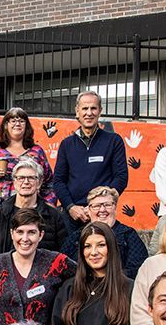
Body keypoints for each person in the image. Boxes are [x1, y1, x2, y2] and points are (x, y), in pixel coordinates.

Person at [0, 209, 74, 325]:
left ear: (41, 235)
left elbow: (84, 279)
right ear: (12, 234)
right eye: (20, 232)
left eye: (31, 232)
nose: (25, 238)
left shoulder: (56, 262)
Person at [52, 91, 128, 233]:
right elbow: (58, 181)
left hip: (102, 214)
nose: (89, 113)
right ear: (77, 111)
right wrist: (70, 207)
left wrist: (99, 205)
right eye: (85, 108)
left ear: (100, 111)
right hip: (72, 216)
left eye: (93, 108)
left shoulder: (114, 141)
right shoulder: (66, 144)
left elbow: (121, 178)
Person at [0, 107, 54, 219]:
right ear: (6, 125)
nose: (17, 124)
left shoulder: (37, 151)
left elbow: (49, 182)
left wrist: (49, 207)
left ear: (26, 126)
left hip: (30, 211)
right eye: (13, 121)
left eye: (21, 121)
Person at [0, 158, 69, 261]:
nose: (26, 182)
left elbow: (63, 255)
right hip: (4, 275)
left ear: (39, 183)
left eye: (31, 178)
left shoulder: (53, 215)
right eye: (21, 178)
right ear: (14, 182)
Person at [61, 187, 148, 280]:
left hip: (118, 288)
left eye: (107, 205)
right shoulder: (77, 237)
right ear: (88, 210)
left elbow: (138, 268)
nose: (102, 210)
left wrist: (106, 279)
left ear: (115, 208)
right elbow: (63, 265)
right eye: (96, 206)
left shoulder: (128, 235)